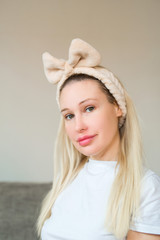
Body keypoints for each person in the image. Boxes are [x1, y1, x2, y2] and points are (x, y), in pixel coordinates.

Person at [37, 39, 160, 240]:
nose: (79, 126)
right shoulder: (67, 180)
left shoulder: (146, 188)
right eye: (69, 115)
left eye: (89, 108)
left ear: (117, 107)